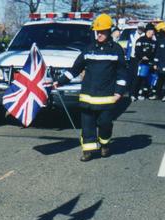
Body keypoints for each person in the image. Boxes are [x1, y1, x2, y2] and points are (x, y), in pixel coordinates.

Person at [53, 14, 127, 162]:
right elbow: (74, 69)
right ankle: (88, 151)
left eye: (103, 31)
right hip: (87, 96)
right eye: (97, 32)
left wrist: (119, 93)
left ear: (109, 31)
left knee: (105, 124)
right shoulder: (88, 49)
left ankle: (104, 145)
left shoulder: (116, 50)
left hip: (106, 97)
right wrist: (59, 82)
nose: (99, 34)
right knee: (87, 126)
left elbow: (122, 73)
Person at [132, 23, 157, 100]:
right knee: (138, 78)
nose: (151, 33)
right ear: (146, 31)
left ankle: (145, 93)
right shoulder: (140, 40)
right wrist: (142, 56)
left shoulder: (154, 42)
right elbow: (137, 51)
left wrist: (154, 63)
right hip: (141, 62)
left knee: (149, 79)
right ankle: (133, 94)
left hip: (150, 63)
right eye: (150, 32)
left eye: (152, 32)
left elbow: (155, 53)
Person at [128, 22, 146, 100]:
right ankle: (131, 93)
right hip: (132, 58)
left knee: (139, 76)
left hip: (140, 58)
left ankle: (138, 92)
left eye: (142, 28)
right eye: (139, 28)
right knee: (131, 76)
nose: (140, 29)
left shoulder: (145, 36)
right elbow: (129, 46)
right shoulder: (132, 35)